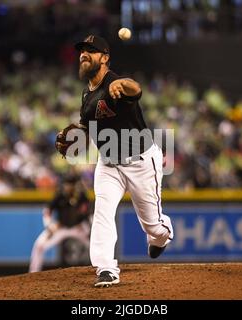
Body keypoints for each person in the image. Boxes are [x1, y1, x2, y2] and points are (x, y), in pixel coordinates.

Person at [74, 35, 174, 287]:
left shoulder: (114, 83)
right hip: (108, 165)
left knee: (153, 226)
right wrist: (72, 136)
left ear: (105, 58)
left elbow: (135, 88)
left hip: (140, 161)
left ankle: (162, 236)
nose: (83, 54)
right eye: (82, 51)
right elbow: (87, 128)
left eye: (90, 50)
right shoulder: (87, 95)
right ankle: (106, 268)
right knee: (102, 213)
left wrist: (122, 85)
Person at [29, 175, 91, 273]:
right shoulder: (60, 195)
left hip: (78, 229)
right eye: (66, 184)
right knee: (39, 246)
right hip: (61, 228)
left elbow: (89, 214)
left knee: (96, 246)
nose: (68, 187)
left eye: (70, 185)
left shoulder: (82, 196)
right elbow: (47, 210)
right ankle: (33, 273)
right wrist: (50, 225)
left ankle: (102, 270)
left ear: (75, 185)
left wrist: (87, 228)